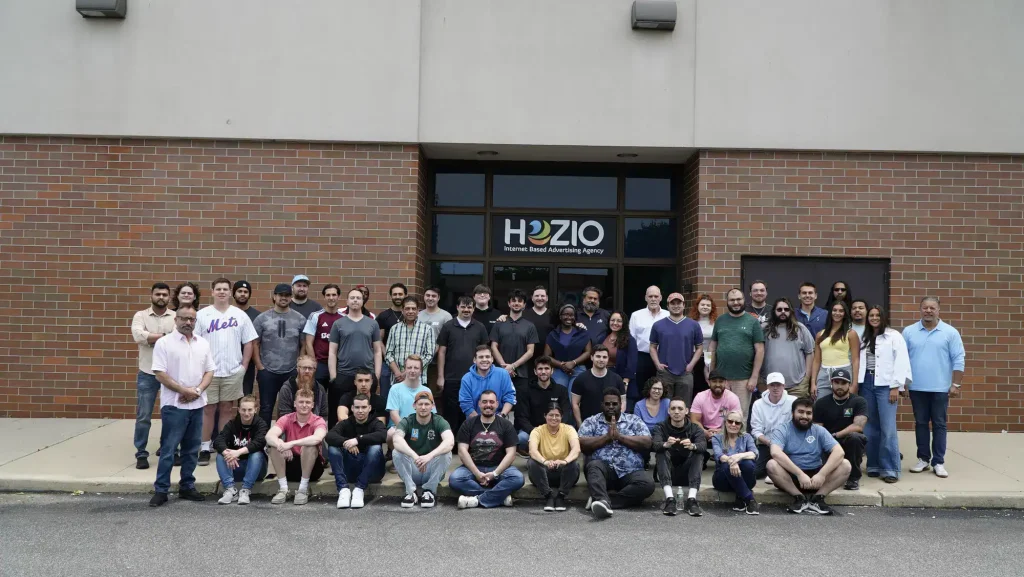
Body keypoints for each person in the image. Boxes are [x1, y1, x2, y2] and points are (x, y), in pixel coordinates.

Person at [149, 303, 216, 507]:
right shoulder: (164, 343)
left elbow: (210, 371)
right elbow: (159, 373)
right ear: (176, 320)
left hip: (196, 405)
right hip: (174, 406)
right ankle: (161, 490)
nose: (188, 322)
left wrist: (196, 391)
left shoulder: (203, 343)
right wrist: (183, 391)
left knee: (192, 449)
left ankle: (187, 485)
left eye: (192, 319)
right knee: (169, 450)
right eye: (184, 318)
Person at [195, 277, 258, 466]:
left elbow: (249, 342)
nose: (222, 292)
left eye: (225, 289)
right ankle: (205, 447)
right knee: (208, 409)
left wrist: (244, 367)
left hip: (232, 370)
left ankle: (221, 446)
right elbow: (195, 342)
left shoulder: (239, 315)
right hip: (209, 372)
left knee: (226, 410)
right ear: (212, 292)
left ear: (230, 292)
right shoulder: (202, 315)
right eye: (218, 289)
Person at [903, 296, 965, 479]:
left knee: (939, 424)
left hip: (940, 388)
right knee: (921, 424)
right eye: (925, 308)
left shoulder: (950, 332)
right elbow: (902, 360)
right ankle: (923, 459)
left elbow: (959, 358)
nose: (928, 311)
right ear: (920, 309)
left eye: (932, 308)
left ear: (939, 310)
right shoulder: (909, 331)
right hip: (917, 388)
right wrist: (903, 384)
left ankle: (938, 462)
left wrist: (956, 384)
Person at [766, 398, 852, 515]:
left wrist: (822, 474)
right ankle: (799, 498)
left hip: (816, 479)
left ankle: (817, 499)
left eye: (808, 413)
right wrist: (799, 474)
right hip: (791, 478)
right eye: (800, 412)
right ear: (793, 413)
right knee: (771, 465)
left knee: (846, 465)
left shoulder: (819, 430)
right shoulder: (783, 429)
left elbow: (839, 452)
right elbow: (775, 452)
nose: (805, 416)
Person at [578, 389, 655, 519]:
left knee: (647, 484)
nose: (611, 407)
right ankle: (602, 499)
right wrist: (606, 438)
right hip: (603, 471)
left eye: (614, 404)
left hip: (630, 471)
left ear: (621, 404)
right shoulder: (591, 421)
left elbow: (647, 442)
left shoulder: (633, 420)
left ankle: (603, 501)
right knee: (593, 466)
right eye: (607, 404)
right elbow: (581, 443)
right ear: (602, 405)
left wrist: (620, 437)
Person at [859, 305, 911, 483]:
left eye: (877, 315)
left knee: (887, 428)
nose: (874, 318)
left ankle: (890, 469)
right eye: (871, 315)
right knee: (870, 427)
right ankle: (873, 465)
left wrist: (896, 386)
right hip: (867, 383)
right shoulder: (864, 337)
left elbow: (902, 360)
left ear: (883, 317)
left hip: (886, 386)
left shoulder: (894, 336)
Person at [450, 390, 525, 509]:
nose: (488, 405)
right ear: (479, 404)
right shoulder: (468, 424)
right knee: (455, 479)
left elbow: (511, 454)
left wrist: (495, 474)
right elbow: (462, 451)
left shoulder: (506, 425)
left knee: (517, 478)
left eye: (491, 402)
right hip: (473, 467)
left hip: (498, 467)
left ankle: (478, 499)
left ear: (497, 404)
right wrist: (477, 473)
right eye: (484, 402)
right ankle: (499, 497)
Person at [130, 282, 176, 469]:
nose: (161, 297)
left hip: (169, 374)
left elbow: (178, 338)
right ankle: (141, 453)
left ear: (169, 297)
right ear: (151, 295)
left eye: (165, 294)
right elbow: (138, 336)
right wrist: (165, 336)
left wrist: (152, 337)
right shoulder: (140, 316)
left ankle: (168, 449)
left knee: (171, 415)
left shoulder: (175, 316)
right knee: (143, 415)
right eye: (158, 294)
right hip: (147, 372)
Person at [328, 287, 383, 428]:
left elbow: (377, 351)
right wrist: (334, 376)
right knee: (339, 410)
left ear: (363, 301)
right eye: (352, 298)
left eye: (358, 298)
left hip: (367, 375)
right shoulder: (338, 324)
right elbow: (332, 352)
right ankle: (337, 442)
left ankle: (365, 440)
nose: (355, 300)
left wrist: (376, 374)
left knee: (364, 410)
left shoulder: (372, 323)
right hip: (344, 374)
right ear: (347, 301)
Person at [251, 284, 306, 424]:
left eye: (287, 295)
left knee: (290, 407)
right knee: (266, 407)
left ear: (291, 297)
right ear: (274, 296)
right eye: (280, 295)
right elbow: (255, 343)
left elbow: (303, 344)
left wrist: (298, 366)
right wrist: (259, 366)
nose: (284, 298)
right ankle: (262, 441)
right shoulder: (262, 319)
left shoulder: (300, 319)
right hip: (267, 371)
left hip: (291, 371)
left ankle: (288, 439)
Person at [264, 388, 328, 505]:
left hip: (312, 468)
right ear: (295, 404)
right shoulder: (286, 418)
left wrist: (291, 443)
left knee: (309, 446)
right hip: (291, 464)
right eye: (301, 402)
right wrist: (281, 445)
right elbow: (269, 436)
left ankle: (303, 490)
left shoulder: (318, 421)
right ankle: (283, 489)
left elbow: (318, 438)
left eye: (308, 402)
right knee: (274, 446)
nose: (304, 405)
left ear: (313, 405)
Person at [707, 288, 764, 419]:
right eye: (732, 300)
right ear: (727, 302)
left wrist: (754, 377)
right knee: (720, 415)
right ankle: (720, 440)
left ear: (744, 300)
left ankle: (739, 440)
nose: (736, 302)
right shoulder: (720, 320)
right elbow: (712, 346)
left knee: (740, 416)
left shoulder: (752, 322)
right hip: (721, 379)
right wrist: (710, 371)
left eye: (739, 299)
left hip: (743, 379)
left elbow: (760, 350)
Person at [392, 391, 455, 508]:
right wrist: (415, 456)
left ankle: (429, 491)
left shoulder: (439, 421)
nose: (423, 407)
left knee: (446, 453)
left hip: (431, 470)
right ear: (414, 406)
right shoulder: (407, 421)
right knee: (397, 452)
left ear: (432, 406)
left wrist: (429, 456)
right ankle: (410, 492)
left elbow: (450, 441)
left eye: (427, 404)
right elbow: (396, 440)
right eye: (420, 404)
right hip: (413, 468)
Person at [436, 296, 489, 433]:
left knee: (471, 411)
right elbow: (441, 352)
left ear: (473, 308)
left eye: (469, 307)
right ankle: (451, 443)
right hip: (451, 376)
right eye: (463, 307)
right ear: (457, 307)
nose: (466, 310)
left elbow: (484, 353)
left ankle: (468, 442)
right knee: (451, 412)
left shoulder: (480, 327)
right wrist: (441, 376)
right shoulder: (448, 326)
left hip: (474, 377)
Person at [325, 394, 387, 509]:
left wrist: (357, 440)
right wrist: (346, 442)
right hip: (351, 470)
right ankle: (343, 489)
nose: (360, 411)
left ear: (369, 408)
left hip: (373, 472)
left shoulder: (376, 423)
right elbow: (329, 436)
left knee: (376, 448)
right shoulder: (346, 423)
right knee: (333, 447)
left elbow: (383, 435)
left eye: (364, 407)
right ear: (352, 408)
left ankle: (359, 489)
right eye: (357, 407)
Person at [813, 368, 868, 490]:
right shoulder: (821, 403)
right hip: (828, 443)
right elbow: (817, 428)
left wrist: (837, 435)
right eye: (837, 382)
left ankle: (853, 479)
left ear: (849, 384)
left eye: (843, 383)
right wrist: (829, 440)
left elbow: (858, 426)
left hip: (847, 441)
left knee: (856, 437)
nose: (840, 386)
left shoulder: (859, 401)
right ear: (831, 383)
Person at [652, 398, 706, 516]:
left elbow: (703, 446)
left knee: (698, 452)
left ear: (686, 411)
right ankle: (670, 499)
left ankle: (692, 500)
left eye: (680, 408)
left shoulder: (695, 428)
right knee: (661, 451)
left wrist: (692, 446)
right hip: (667, 472)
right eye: (673, 408)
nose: (676, 412)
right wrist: (666, 444)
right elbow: (655, 445)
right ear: (668, 411)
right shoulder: (660, 427)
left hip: (688, 474)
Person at [649, 292, 704, 402]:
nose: (676, 306)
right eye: (672, 303)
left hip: (685, 372)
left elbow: (700, 348)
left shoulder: (693, 325)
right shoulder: (658, 325)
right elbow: (652, 347)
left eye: (679, 303)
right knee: (664, 404)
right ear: (668, 306)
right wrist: (657, 364)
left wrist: (691, 365)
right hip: (665, 372)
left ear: (684, 305)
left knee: (684, 405)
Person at [214, 395, 268, 505]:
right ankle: (230, 490)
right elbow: (218, 441)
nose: (246, 413)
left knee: (256, 454)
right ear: (238, 410)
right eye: (243, 410)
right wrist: (227, 453)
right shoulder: (232, 424)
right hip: (235, 466)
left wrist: (237, 452)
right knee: (221, 454)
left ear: (255, 410)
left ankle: (245, 490)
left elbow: (259, 443)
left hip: (256, 469)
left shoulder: (261, 424)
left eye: (249, 410)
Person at [489, 289, 539, 405]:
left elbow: (530, 351)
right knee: (497, 405)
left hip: (521, 374)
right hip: (500, 372)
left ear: (524, 305)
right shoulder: (499, 323)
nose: (516, 303)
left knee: (521, 408)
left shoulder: (530, 326)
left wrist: (513, 366)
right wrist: (505, 368)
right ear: (509, 303)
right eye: (513, 301)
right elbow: (493, 347)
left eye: (520, 301)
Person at [528, 404, 581, 512]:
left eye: (557, 415)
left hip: (563, 472)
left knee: (574, 464)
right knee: (532, 463)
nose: (554, 418)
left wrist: (564, 461)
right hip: (544, 472)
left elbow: (576, 449)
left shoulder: (569, 429)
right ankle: (548, 496)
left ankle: (561, 496)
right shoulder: (537, 431)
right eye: (551, 415)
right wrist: (545, 462)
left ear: (561, 417)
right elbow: (532, 451)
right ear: (545, 416)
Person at [761, 297, 815, 399]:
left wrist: (806, 378)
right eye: (779, 309)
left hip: (797, 386)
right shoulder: (764, 329)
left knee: (797, 415)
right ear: (774, 311)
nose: (783, 312)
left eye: (786, 309)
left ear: (791, 311)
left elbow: (810, 353)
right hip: (769, 385)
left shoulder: (800, 329)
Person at [383, 295, 435, 400]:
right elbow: (388, 354)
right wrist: (398, 373)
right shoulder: (394, 329)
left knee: (419, 411)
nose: (410, 311)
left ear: (418, 311)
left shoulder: (427, 329)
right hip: (397, 380)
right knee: (397, 411)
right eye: (407, 308)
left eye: (413, 309)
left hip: (419, 381)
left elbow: (429, 355)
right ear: (402, 310)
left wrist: (407, 372)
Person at [515, 356, 572, 450]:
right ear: (535, 371)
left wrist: (554, 431)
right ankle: (532, 452)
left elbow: (566, 413)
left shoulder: (561, 390)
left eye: (546, 368)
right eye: (540, 369)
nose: (543, 372)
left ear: (552, 371)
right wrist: (536, 432)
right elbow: (521, 417)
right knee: (521, 438)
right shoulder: (525, 391)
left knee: (571, 437)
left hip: (555, 429)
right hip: (533, 430)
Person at [711, 410, 759, 515]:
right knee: (726, 466)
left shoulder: (747, 437)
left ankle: (740, 496)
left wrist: (739, 456)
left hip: (745, 479)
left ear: (741, 425)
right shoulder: (717, 438)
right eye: (730, 421)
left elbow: (754, 453)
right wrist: (732, 462)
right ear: (725, 422)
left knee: (748, 464)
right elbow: (719, 456)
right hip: (722, 481)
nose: (733, 424)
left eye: (737, 423)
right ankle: (749, 499)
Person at [810, 301, 861, 400]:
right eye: (834, 310)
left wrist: (854, 384)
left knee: (844, 408)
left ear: (845, 314)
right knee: (821, 406)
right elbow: (816, 360)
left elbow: (855, 360)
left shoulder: (851, 333)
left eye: (841, 311)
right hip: (824, 373)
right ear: (830, 312)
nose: (837, 313)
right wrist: (813, 383)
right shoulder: (820, 334)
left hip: (844, 372)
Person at [749, 372, 795, 479]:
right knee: (755, 473)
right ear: (767, 386)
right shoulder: (758, 404)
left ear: (783, 386)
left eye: (778, 385)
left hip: (788, 444)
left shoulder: (793, 401)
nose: (775, 388)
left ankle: (776, 470)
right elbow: (756, 430)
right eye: (772, 385)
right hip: (766, 443)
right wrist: (769, 442)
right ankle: (771, 469)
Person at [629, 286, 670, 400]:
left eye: (656, 296)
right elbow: (631, 340)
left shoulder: (668, 315)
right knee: (642, 389)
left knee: (662, 388)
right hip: (642, 357)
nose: (653, 299)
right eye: (650, 296)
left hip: (663, 358)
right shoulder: (636, 315)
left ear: (661, 298)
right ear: (645, 298)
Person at [690, 371, 742, 458]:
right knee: (691, 432)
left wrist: (722, 431)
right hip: (703, 429)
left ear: (725, 383)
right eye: (714, 381)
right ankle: (702, 456)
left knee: (739, 433)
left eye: (721, 381)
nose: (717, 384)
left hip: (725, 429)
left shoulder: (733, 398)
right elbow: (694, 420)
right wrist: (704, 432)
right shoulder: (700, 396)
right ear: (709, 382)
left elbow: (737, 420)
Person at [571, 345, 625, 427]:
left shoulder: (617, 379)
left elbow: (623, 402)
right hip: (588, 425)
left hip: (611, 424)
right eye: (598, 356)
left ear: (608, 359)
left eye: (604, 357)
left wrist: (617, 422)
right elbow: (575, 404)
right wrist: (580, 425)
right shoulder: (581, 379)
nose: (601, 360)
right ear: (592, 357)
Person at [303, 284, 344, 390]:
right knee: (317, 397)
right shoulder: (315, 316)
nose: (331, 298)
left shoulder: (344, 318)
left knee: (335, 399)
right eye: (328, 295)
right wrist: (314, 364)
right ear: (324, 297)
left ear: (338, 297)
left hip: (338, 365)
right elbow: (308, 343)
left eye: (334, 295)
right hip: (320, 364)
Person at [544, 303, 592, 392]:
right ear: (560, 316)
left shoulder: (582, 333)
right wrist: (562, 365)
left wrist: (573, 363)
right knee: (560, 397)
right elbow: (547, 356)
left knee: (574, 398)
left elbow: (588, 352)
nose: (569, 317)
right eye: (566, 314)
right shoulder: (553, 334)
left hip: (578, 369)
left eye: (571, 315)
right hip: (559, 370)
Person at [459, 345, 516, 419]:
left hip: (500, 419)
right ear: (474, 360)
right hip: (475, 421)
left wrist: (501, 416)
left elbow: (510, 397)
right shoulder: (466, 379)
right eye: (481, 357)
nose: (484, 359)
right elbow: (465, 404)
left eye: (487, 356)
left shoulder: (503, 374)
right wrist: (481, 421)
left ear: (492, 359)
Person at [418, 286, 452, 399]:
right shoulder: (418, 315)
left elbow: (447, 340)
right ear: (424, 297)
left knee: (434, 396)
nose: (430, 298)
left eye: (433, 296)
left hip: (437, 364)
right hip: (419, 363)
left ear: (438, 298)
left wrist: (432, 353)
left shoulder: (446, 316)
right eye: (428, 295)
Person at [376, 282, 408, 399]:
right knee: (386, 397)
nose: (398, 296)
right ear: (391, 296)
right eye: (395, 294)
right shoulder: (384, 316)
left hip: (407, 364)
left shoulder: (410, 314)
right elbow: (379, 341)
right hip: (387, 364)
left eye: (400, 294)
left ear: (405, 295)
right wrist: (390, 361)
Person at [385, 354, 433, 431]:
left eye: (416, 368)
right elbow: (394, 415)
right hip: (399, 428)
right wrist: (410, 431)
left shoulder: (427, 391)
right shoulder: (395, 389)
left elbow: (432, 415)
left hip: (421, 429)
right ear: (405, 369)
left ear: (421, 371)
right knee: (391, 433)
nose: (412, 371)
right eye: (409, 367)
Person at [275, 354, 329, 420]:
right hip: (290, 426)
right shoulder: (286, 388)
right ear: (298, 369)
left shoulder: (320, 389)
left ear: (314, 370)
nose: (307, 371)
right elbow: (284, 414)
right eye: (304, 368)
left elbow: (324, 414)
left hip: (314, 426)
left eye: (310, 368)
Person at [603, 311, 638, 409]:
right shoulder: (603, 337)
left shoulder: (629, 340)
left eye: (619, 321)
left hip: (621, 379)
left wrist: (625, 382)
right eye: (612, 320)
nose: (615, 323)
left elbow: (632, 363)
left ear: (624, 323)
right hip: (604, 378)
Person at [232, 280, 261, 396]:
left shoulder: (257, 316)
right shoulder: (227, 313)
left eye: (246, 291)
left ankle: (242, 415)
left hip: (248, 363)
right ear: (234, 294)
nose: (243, 294)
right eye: (239, 291)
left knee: (245, 394)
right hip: (228, 359)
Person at [690, 294, 717, 397]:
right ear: (697, 306)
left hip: (709, 357)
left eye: (708, 305)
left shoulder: (715, 323)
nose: (705, 307)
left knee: (707, 384)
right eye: (702, 304)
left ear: (712, 308)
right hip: (693, 357)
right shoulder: (691, 322)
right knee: (694, 386)